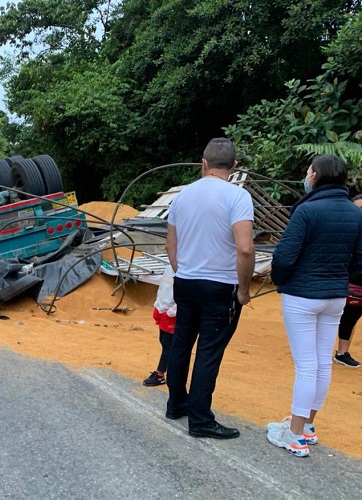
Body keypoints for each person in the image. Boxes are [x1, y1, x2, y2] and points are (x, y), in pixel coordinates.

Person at [267, 155, 362, 457]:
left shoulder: (306, 210)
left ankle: (294, 436)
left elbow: (284, 256)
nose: (306, 175)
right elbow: (359, 261)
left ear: (317, 175)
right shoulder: (355, 213)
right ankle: (307, 426)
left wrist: (282, 279)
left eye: (309, 171)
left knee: (307, 365)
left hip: (303, 296)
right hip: (336, 296)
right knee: (321, 362)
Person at [164, 137, 255, 440]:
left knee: (181, 344)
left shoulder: (182, 196)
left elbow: (170, 245)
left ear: (203, 164)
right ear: (234, 166)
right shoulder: (237, 197)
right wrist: (243, 290)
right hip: (221, 286)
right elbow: (244, 249)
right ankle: (201, 419)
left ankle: (176, 404)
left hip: (186, 282)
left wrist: (184, 271)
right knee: (208, 352)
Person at [334, 194, 362, 368]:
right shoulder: (342, 232)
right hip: (343, 283)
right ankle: (338, 352)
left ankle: (342, 353)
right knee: (342, 318)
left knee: (351, 318)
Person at [143, 266, 176, 387]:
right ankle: (168, 370)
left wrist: (174, 310)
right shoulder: (169, 268)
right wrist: (158, 304)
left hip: (172, 312)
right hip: (163, 308)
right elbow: (163, 286)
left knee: (168, 344)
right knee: (163, 341)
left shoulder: (187, 269)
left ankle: (160, 374)